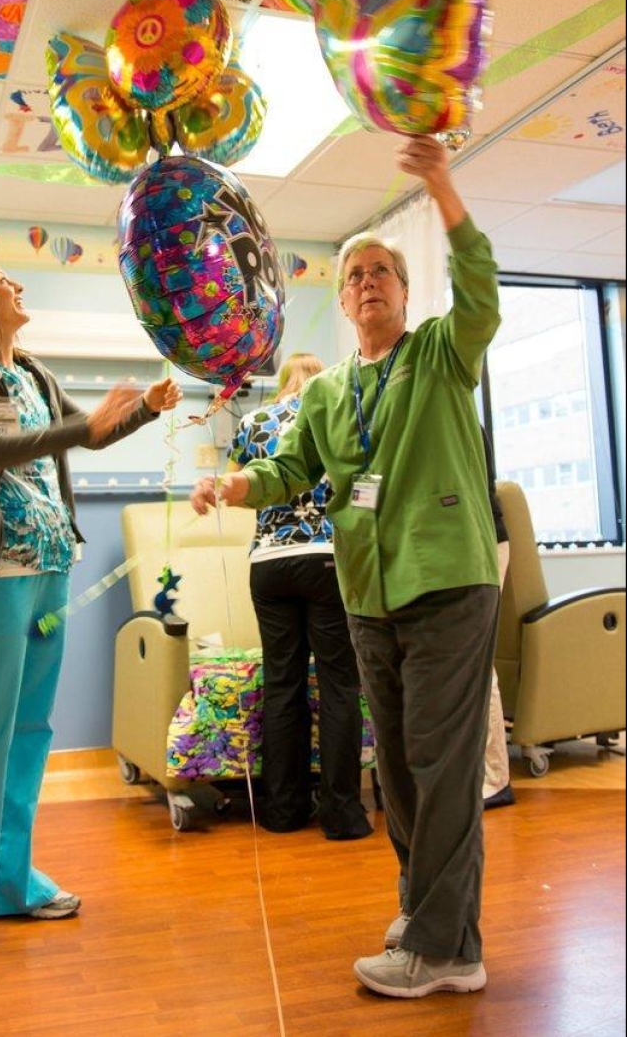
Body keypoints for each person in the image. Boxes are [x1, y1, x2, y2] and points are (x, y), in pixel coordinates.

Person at [191, 135, 501, 1000]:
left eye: (381, 273)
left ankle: (443, 948)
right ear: (341, 298)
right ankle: (431, 917)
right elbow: (291, 472)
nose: (366, 283)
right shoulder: (324, 393)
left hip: (445, 581)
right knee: (396, 763)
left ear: (404, 294)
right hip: (366, 590)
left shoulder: (441, 352)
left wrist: (439, 184)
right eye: (354, 275)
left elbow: (481, 290)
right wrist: (234, 483)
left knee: (441, 761)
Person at [0, 259, 182, 974]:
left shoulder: (31, 371)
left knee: (29, 731)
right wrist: (85, 425)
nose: (19, 289)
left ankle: (8, 883)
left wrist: (145, 412)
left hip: (51, 567)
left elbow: (86, 436)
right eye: (6, 282)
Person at [228, 352, 373, 841]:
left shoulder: (253, 420)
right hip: (327, 558)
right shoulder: (337, 411)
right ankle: (342, 814)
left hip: (267, 564)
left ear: (285, 380)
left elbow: (244, 482)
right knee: (338, 684)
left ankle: (283, 809)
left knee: (282, 683)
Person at [481, 426, 515, 810]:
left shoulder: (453, 406)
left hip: (482, 541)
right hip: (454, 544)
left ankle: (495, 778)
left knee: (476, 662)